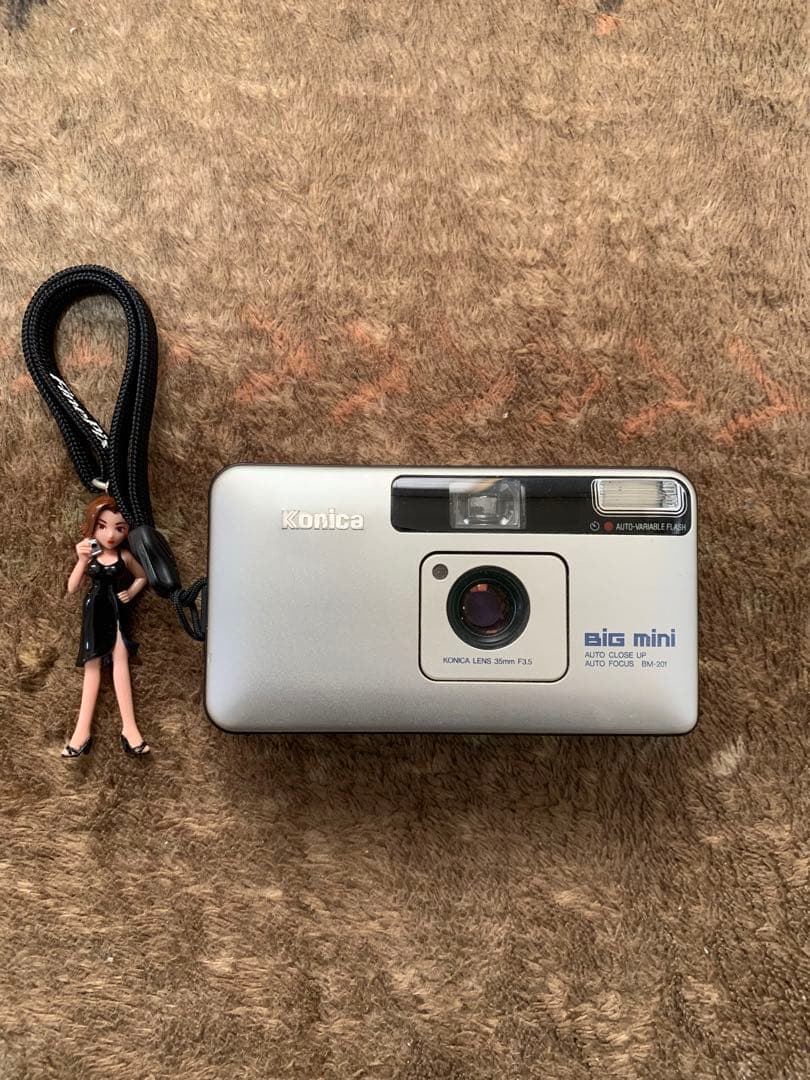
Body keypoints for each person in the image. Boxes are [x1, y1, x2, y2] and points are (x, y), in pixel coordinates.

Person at [62, 494, 151, 757]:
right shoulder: (90, 555)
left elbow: (142, 576)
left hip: (117, 610)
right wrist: (81, 560)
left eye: (119, 528)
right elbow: (72, 587)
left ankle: (130, 728)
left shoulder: (125, 555)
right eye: (102, 526)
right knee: (92, 669)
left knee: (121, 664)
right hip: (94, 611)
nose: (110, 535)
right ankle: (81, 732)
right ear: (92, 526)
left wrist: (131, 592)